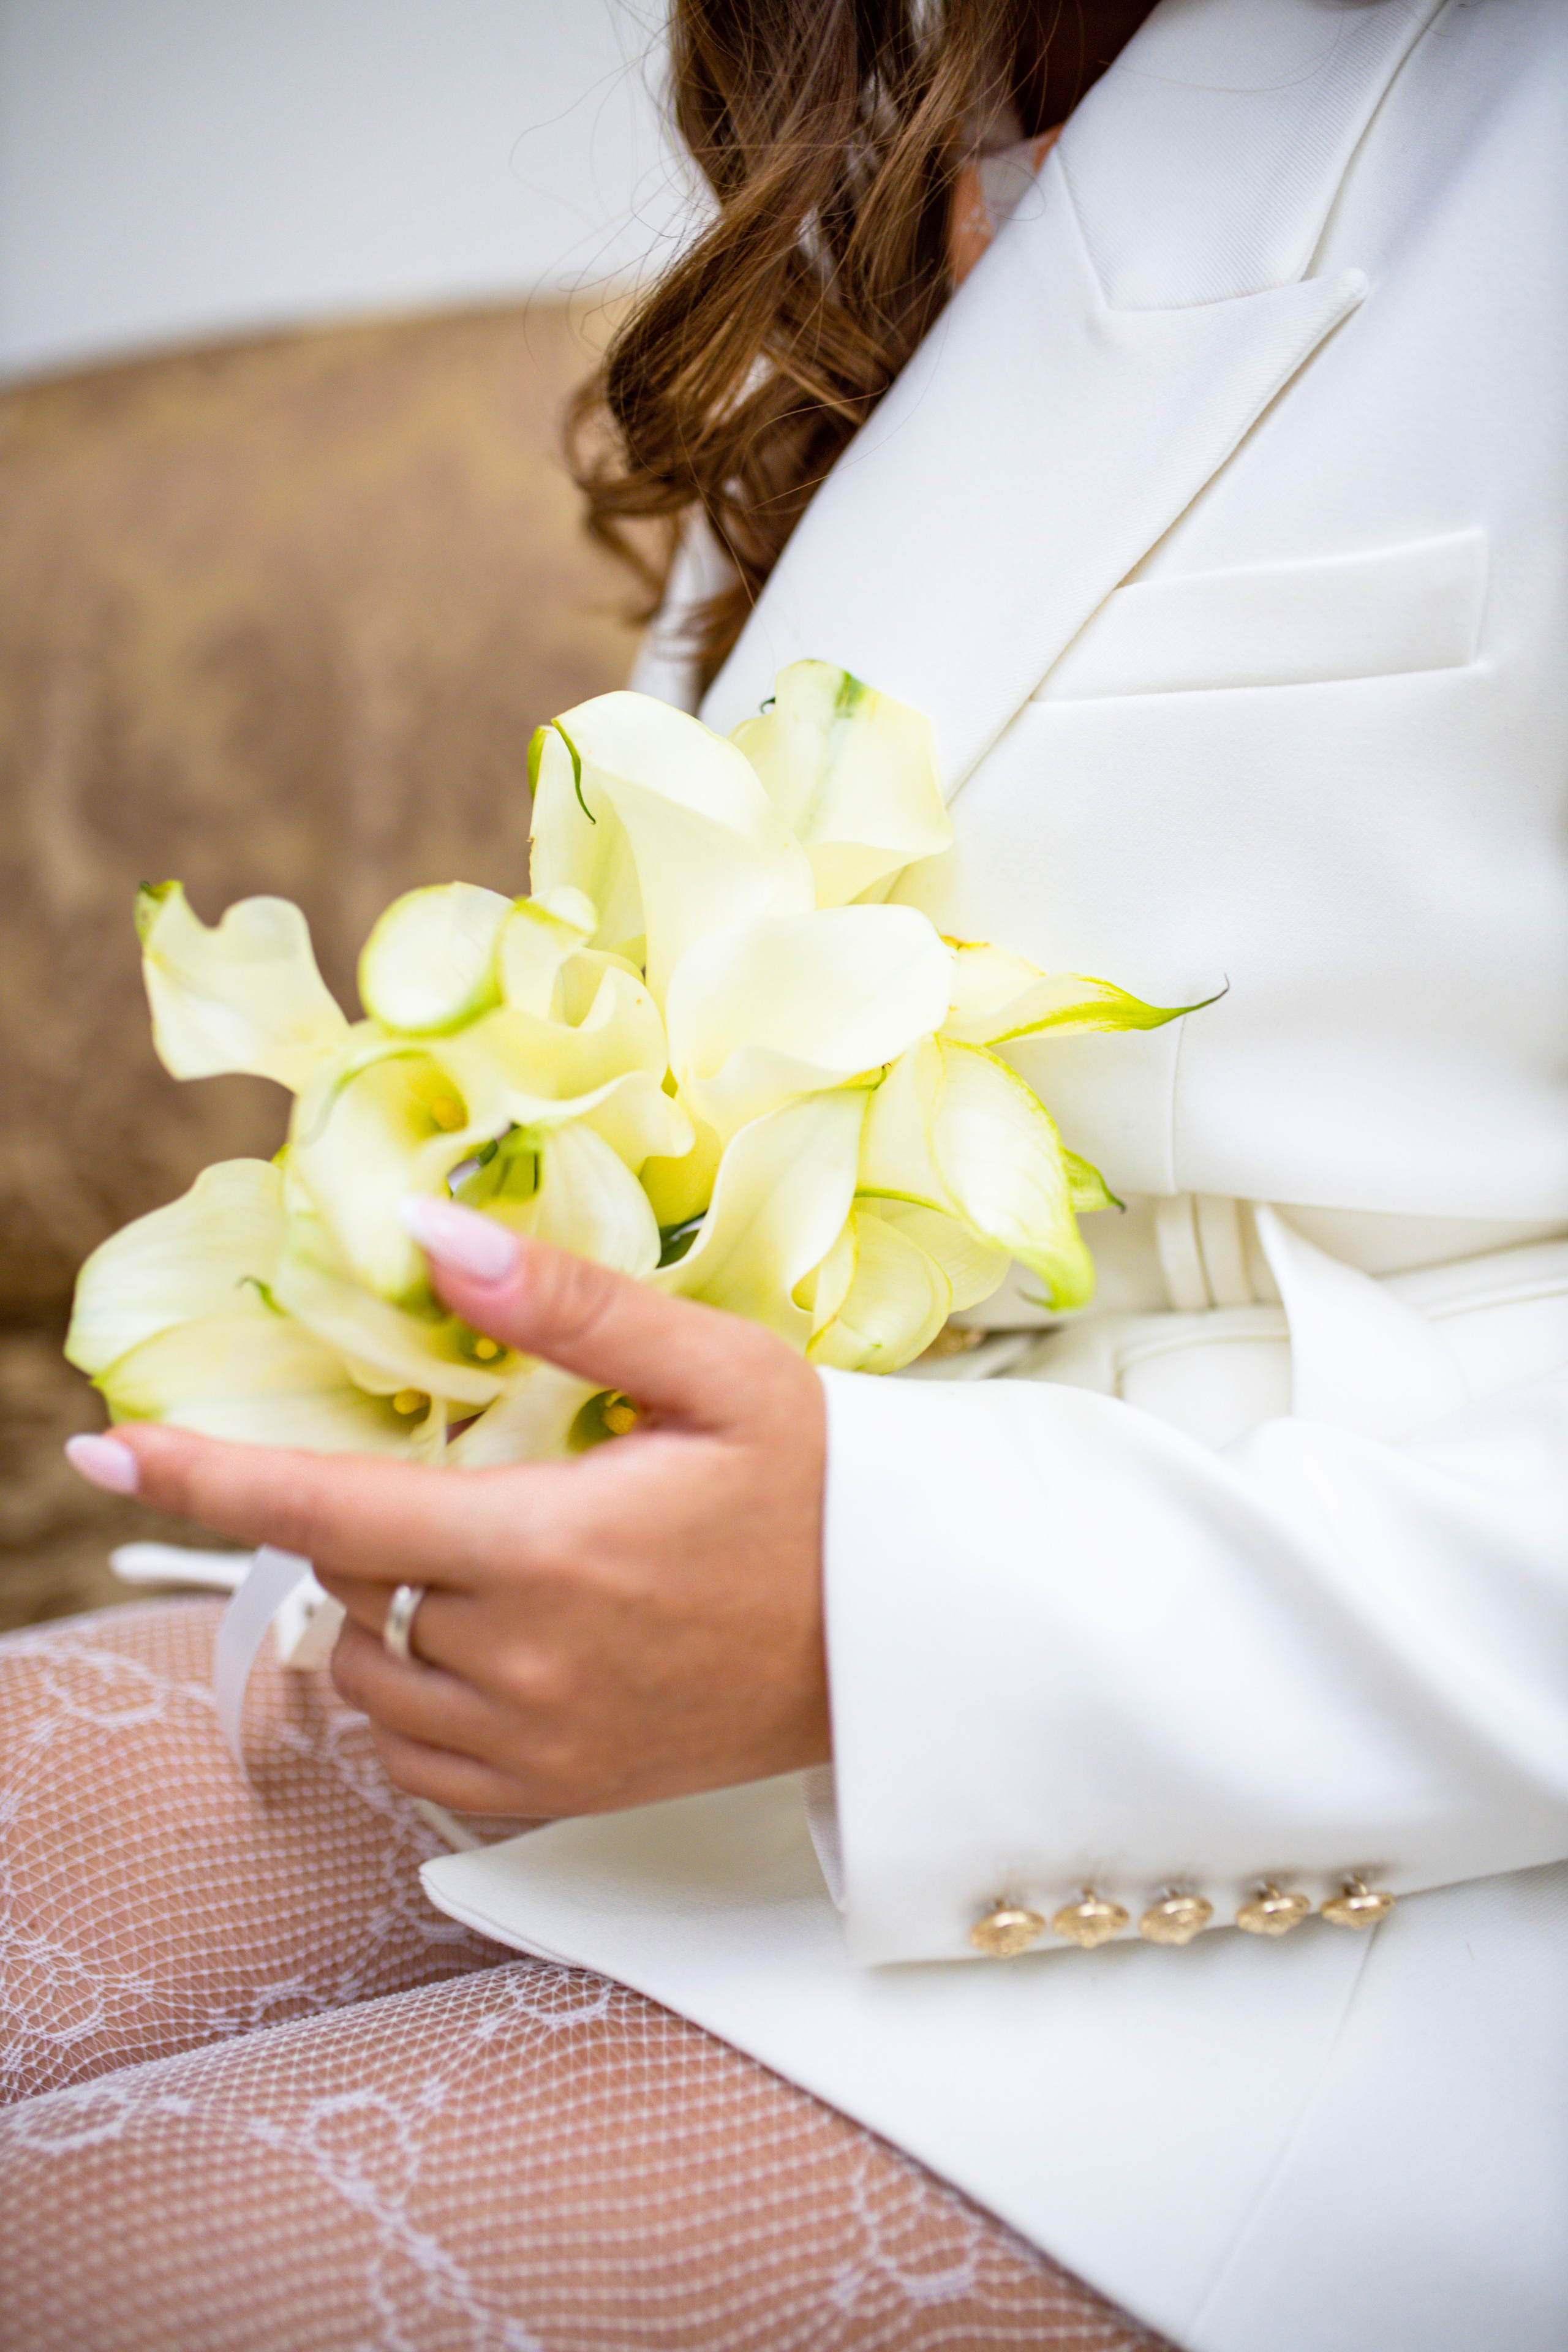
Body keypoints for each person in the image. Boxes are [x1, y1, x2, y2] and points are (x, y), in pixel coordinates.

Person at [4, 1, 1565, 2346]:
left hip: (1427, 1814)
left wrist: (874, 1614)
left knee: (102, 2273)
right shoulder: (943, 156)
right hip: (759, 1677)